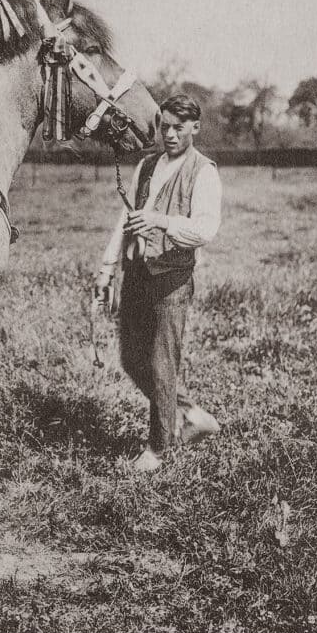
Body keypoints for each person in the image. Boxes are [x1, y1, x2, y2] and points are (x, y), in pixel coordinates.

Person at [93, 94, 222, 472]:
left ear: (195, 128)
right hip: (136, 274)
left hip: (172, 279)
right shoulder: (146, 165)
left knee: (162, 363)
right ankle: (190, 413)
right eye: (164, 125)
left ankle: (158, 449)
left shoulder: (204, 172)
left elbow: (205, 229)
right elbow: (127, 217)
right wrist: (107, 267)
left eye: (178, 127)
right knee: (132, 360)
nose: (169, 134)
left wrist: (162, 222)